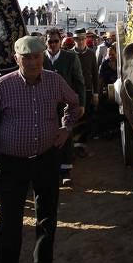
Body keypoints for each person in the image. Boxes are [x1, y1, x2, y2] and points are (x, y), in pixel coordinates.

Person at [0, 35, 81, 263]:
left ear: (43, 57)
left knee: (47, 214)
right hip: (12, 164)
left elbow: (74, 103)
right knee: (9, 222)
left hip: (46, 158)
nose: (34, 62)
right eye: (27, 57)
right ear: (17, 59)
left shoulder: (54, 80)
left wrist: (65, 129)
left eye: (37, 56)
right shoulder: (3, 86)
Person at [44, 30, 85, 185]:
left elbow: (79, 81)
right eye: (50, 42)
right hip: (46, 105)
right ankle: (51, 168)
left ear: (60, 41)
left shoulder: (70, 58)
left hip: (67, 104)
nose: (53, 44)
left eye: (55, 41)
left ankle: (66, 170)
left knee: (66, 133)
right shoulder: (40, 58)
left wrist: (81, 104)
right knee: (47, 135)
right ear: (45, 42)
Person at [72, 28, 99, 153]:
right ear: (75, 40)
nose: (81, 41)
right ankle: (75, 142)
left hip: (87, 90)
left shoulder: (91, 54)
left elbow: (95, 74)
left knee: (86, 116)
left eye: (83, 39)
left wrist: (96, 93)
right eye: (78, 39)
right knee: (74, 117)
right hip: (73, 91)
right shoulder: (70, 55)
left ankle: (82, 142)